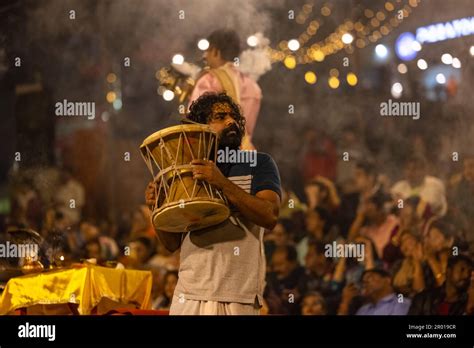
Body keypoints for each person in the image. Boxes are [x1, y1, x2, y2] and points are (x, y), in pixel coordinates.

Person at [145, 92, 281, 315]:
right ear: (200, 126)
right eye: (220, 117)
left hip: (238, 295)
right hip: (189, 293)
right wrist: (156, 206)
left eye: (234, 117)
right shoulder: (184, 169)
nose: (231, 122)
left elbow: (270, 216)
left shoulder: (259, 163)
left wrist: (220, 183)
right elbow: (171, 243)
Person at [189, 29, 262, 149]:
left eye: (207, 51)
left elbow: (194, 123)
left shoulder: (208, 80)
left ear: (216, 52)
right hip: (245, 154)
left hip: (214, 154)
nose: (204, 56)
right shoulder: (253, 86)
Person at [408, 255, 473, 315]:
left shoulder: (468, 303)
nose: (466, 275)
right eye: (462, 270)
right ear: (449, 271)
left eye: (469, 272)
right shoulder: (424, 299)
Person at [340, 269, 411, 315]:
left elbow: (402, 301)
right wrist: (345, 302)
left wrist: (399, 292)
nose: (365, 282)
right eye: (363, 282)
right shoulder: (363, 310)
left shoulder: (399, 300)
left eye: (370, 277)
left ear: (387, 280)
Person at [266, 245, 307, 314]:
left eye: (280, 264)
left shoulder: (304, 278)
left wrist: (295, 299)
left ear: (293, 263)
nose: (276, 269)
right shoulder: (271, 279)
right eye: (274, 265)